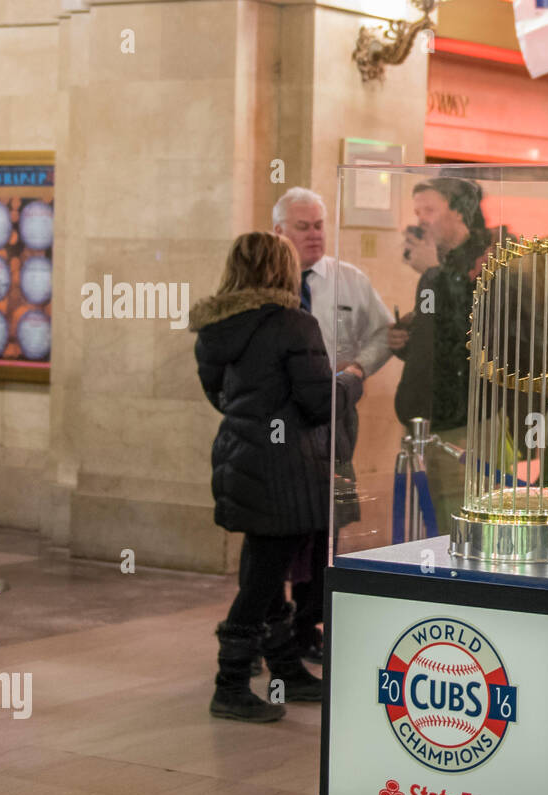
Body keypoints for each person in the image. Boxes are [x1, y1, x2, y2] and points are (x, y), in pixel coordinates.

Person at [192, 232, 363, 722]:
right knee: (265, 574)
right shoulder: (294, 324)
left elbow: (222, 398)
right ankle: (230, 683)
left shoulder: (216, 327)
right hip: (286, 467)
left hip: (241, 457)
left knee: (264, 561)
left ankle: (286, 670)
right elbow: (317, 403)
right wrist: (349, 382)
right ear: (281, 270)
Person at [272, 187, 392, 662]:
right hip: (278, 428)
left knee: (326, 523)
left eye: (320, 224)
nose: (315, 234)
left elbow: (383, 331)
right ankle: (274, 627)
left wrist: (357, 370)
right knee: (280, 528)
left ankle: (309, 623)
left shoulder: (348, 280)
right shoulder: (266, 286)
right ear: (279, 230)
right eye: (303, 226)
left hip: (331, 423)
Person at [390, 177, 497, 533]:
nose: (421, 220)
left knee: (459, 527)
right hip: (428, 419)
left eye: (430, 210)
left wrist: (431, 273)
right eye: (417, 211)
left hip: (462, 422)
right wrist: (407, 339)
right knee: (430, 523)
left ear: (458, 212)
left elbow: (470, 336)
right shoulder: (442, 267)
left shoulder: (486, 260)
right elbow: (437, 332)